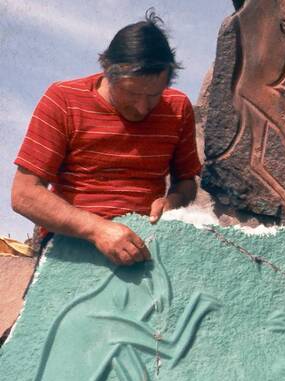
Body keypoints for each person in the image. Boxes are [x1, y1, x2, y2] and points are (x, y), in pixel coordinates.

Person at [11, 10, 201, 266]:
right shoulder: (63, 100)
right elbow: (24, 195)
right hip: (70, 244)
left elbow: (186, 182)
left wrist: (174, 201)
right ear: (108, 72)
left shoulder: (177, 108)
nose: (143, 107)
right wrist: (97, 229)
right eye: (132, 94)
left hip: (144, 245)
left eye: (154, 95)